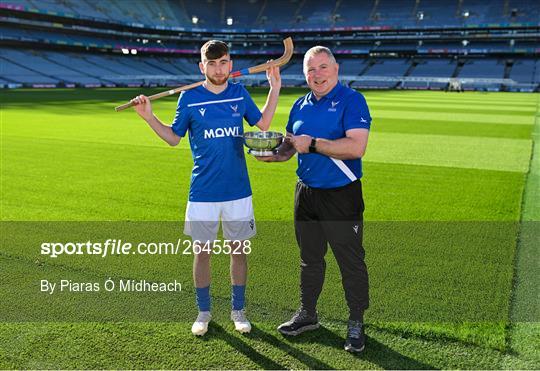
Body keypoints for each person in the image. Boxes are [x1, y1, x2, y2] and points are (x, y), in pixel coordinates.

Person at [130, 40, 281, 336]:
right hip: (203, 192)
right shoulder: (188, 98)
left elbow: (262, 124)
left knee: (239, 251)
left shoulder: (239, 92)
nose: (218, 69)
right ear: (202, 67)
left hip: (238, 189)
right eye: (211, 64)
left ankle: (238, 310)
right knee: (202, 252)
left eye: (223, 62)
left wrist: (274, 89)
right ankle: (203, 311)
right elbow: (174, 138)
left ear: (230, 64)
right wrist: (149, 117)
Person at [257, 46, 371, 353]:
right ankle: (308, 314)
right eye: (310, 69)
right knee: (309, 258)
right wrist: (275, 155)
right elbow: (294, 147)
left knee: (350, 260)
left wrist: (316, 144)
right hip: (306, 193)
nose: (316, 74)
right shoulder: (300, 105)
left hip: (340, 194)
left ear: (335, 69)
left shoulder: (352, 100)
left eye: (322, 67)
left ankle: (356, 321)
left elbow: (356, 147)